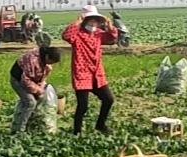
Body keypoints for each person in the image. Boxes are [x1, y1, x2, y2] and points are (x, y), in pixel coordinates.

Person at [62, 5, 118, 135]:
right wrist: (77, 22)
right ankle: (77, 132)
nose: (93, 24)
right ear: (85, 21)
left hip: (97, 74)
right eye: (90, 20)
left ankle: (100, 125)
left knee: (108, 99)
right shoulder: (77, 34)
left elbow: (112, 39)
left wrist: (110, 26)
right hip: (82, 73)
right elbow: (66, 36)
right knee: (83, 106)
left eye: (95, 21)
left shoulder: (98, 34)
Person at [10, 46, 62, 133]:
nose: (51, 64)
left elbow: (41, 77)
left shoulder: (45, 62)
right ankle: (19, 130)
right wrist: (38, 90)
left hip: (32, 81)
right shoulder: (32, 60)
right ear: (47, 56)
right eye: (51, 61)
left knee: (38, 100)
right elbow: (25, 80)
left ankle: (31, 125)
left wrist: (40, 87)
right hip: (18, 81)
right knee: (30, 102)